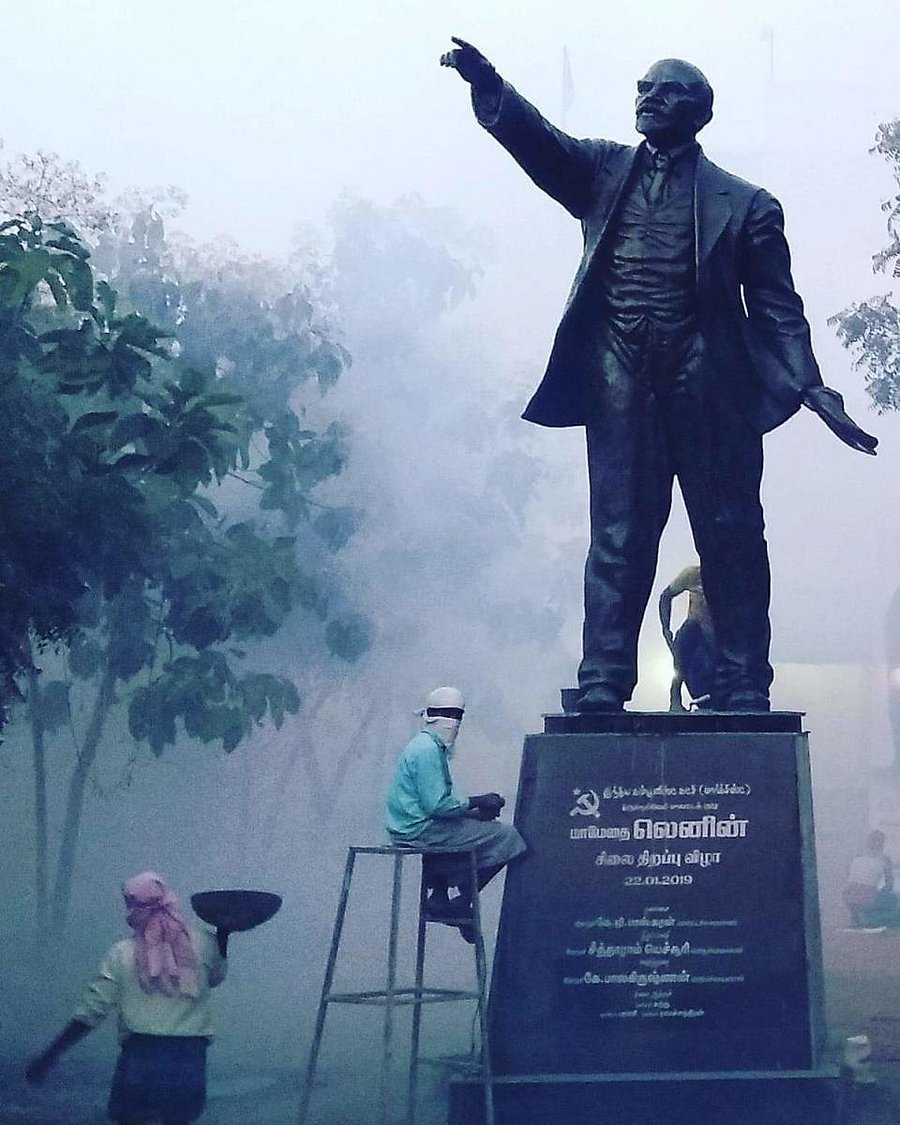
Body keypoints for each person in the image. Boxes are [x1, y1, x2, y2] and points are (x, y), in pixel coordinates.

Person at [441, 40, 877, 714]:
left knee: (730, 531)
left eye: (664, 92)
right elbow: (543, 146)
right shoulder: (602, 172)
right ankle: (604, 677)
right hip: (621, 369)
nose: (646, 98)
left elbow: (778, 309)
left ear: (698, 113)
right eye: (643, 88)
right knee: (618, 531)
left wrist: (813, 386)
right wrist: (490, 85)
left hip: (708, 380)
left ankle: (741, 680)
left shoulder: (748, 203)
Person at [25, 871, 230, 1125]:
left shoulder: (121, 954)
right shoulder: (203, 943)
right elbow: (217, 977)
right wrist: (223, 935)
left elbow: (91, 1012)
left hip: (141, 1057)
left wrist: (51, 1055)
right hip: (188, 1057)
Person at [385, 686, 526, 942]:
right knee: (508, 836)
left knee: (472, 829)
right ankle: (463, 901)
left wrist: (472, 813)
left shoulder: (426, 746)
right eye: (447, 714)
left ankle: (439, 896)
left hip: (414, 823)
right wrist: (479, 800)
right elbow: (438, 806)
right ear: (430, 715)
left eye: (457, 715)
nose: (453, 722)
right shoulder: (427, 750)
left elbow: (441, 803)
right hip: (420, 828)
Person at [659, 563, 715, 711]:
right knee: (688, 630)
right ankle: (675, 697)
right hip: (697, 640)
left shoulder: (729, 575)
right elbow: (666, 596)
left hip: (720, 640)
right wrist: (666, 628)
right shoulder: (693, 574)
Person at [844, 830, 900, 929]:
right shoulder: (885, 859)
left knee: (860, 891)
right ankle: (873, 917)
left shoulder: (857, 856)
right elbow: (889, 884)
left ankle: (856, 917)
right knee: (893, 897)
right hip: (867, 898)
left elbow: (850, 878)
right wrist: (879, 892)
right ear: (882, 844)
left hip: (849, 896)